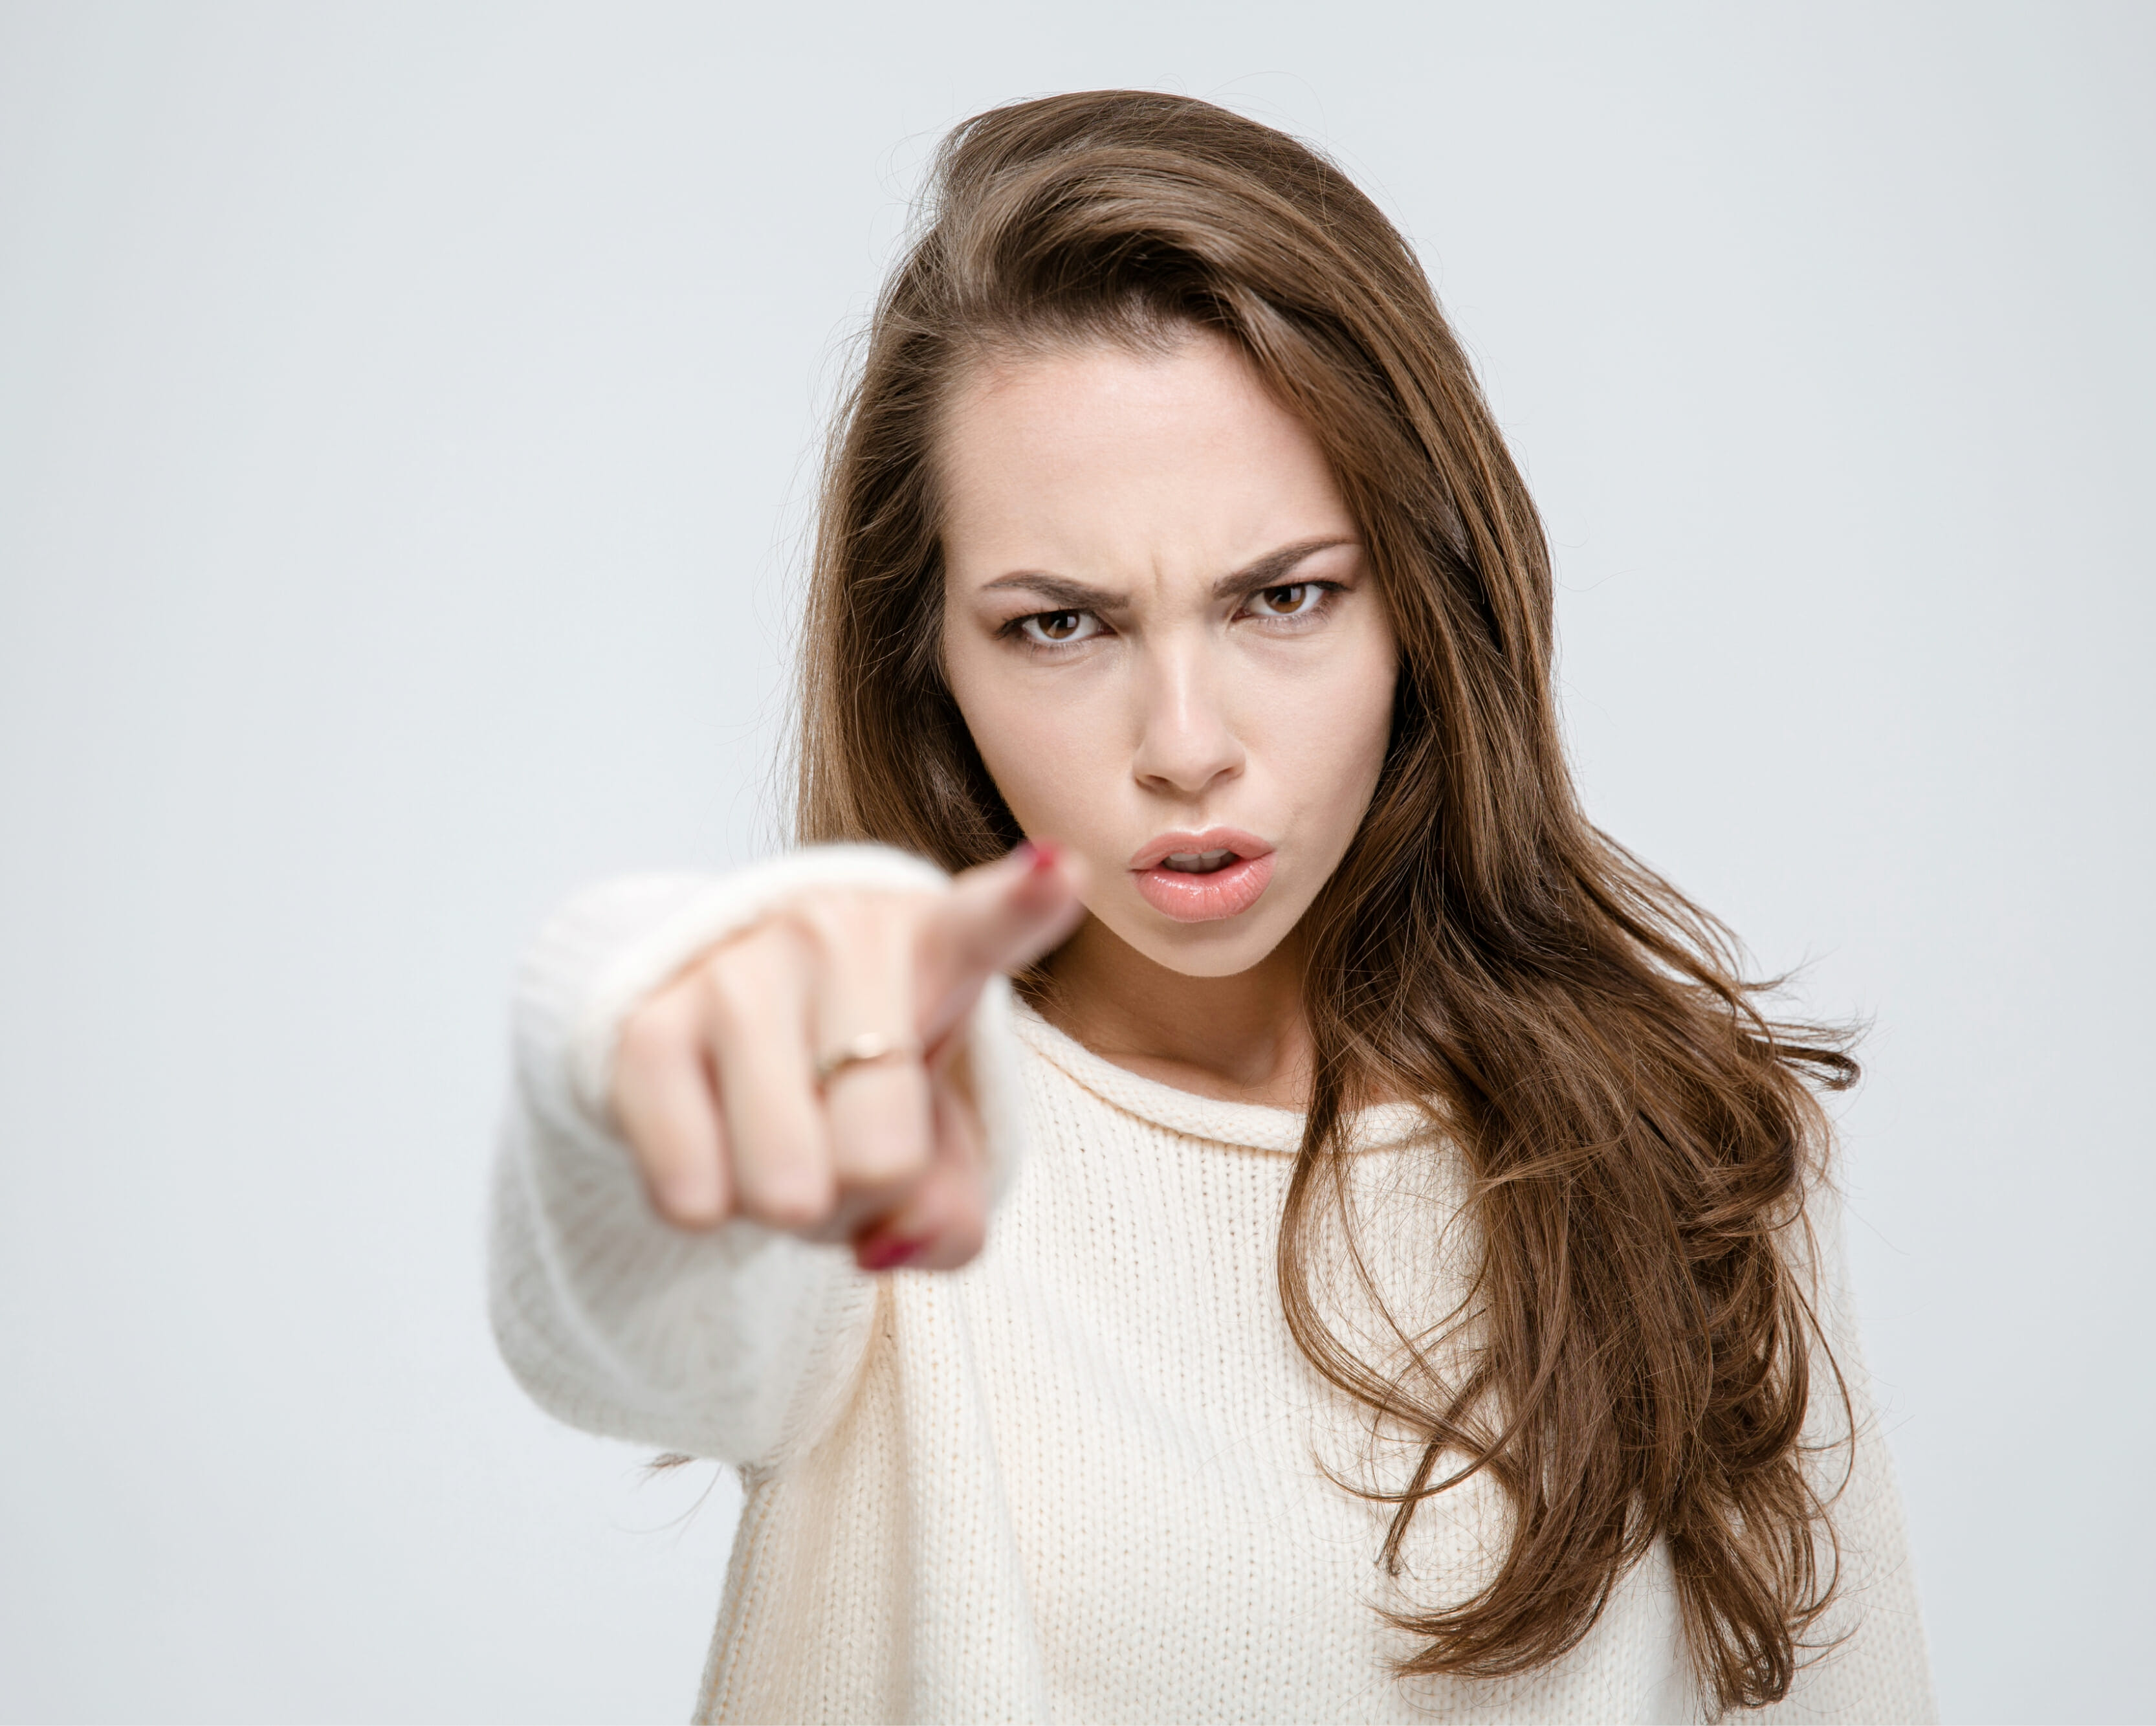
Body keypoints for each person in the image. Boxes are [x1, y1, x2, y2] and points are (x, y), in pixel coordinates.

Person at [489, 91, 1935, 1723]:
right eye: (1059, 626)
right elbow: (627, 1292)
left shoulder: (1686, 1147)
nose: (1184, 746)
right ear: (929, 663)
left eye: (1283, 597)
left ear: (1425, 599)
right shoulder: (887, 1150)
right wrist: (636, 1029)